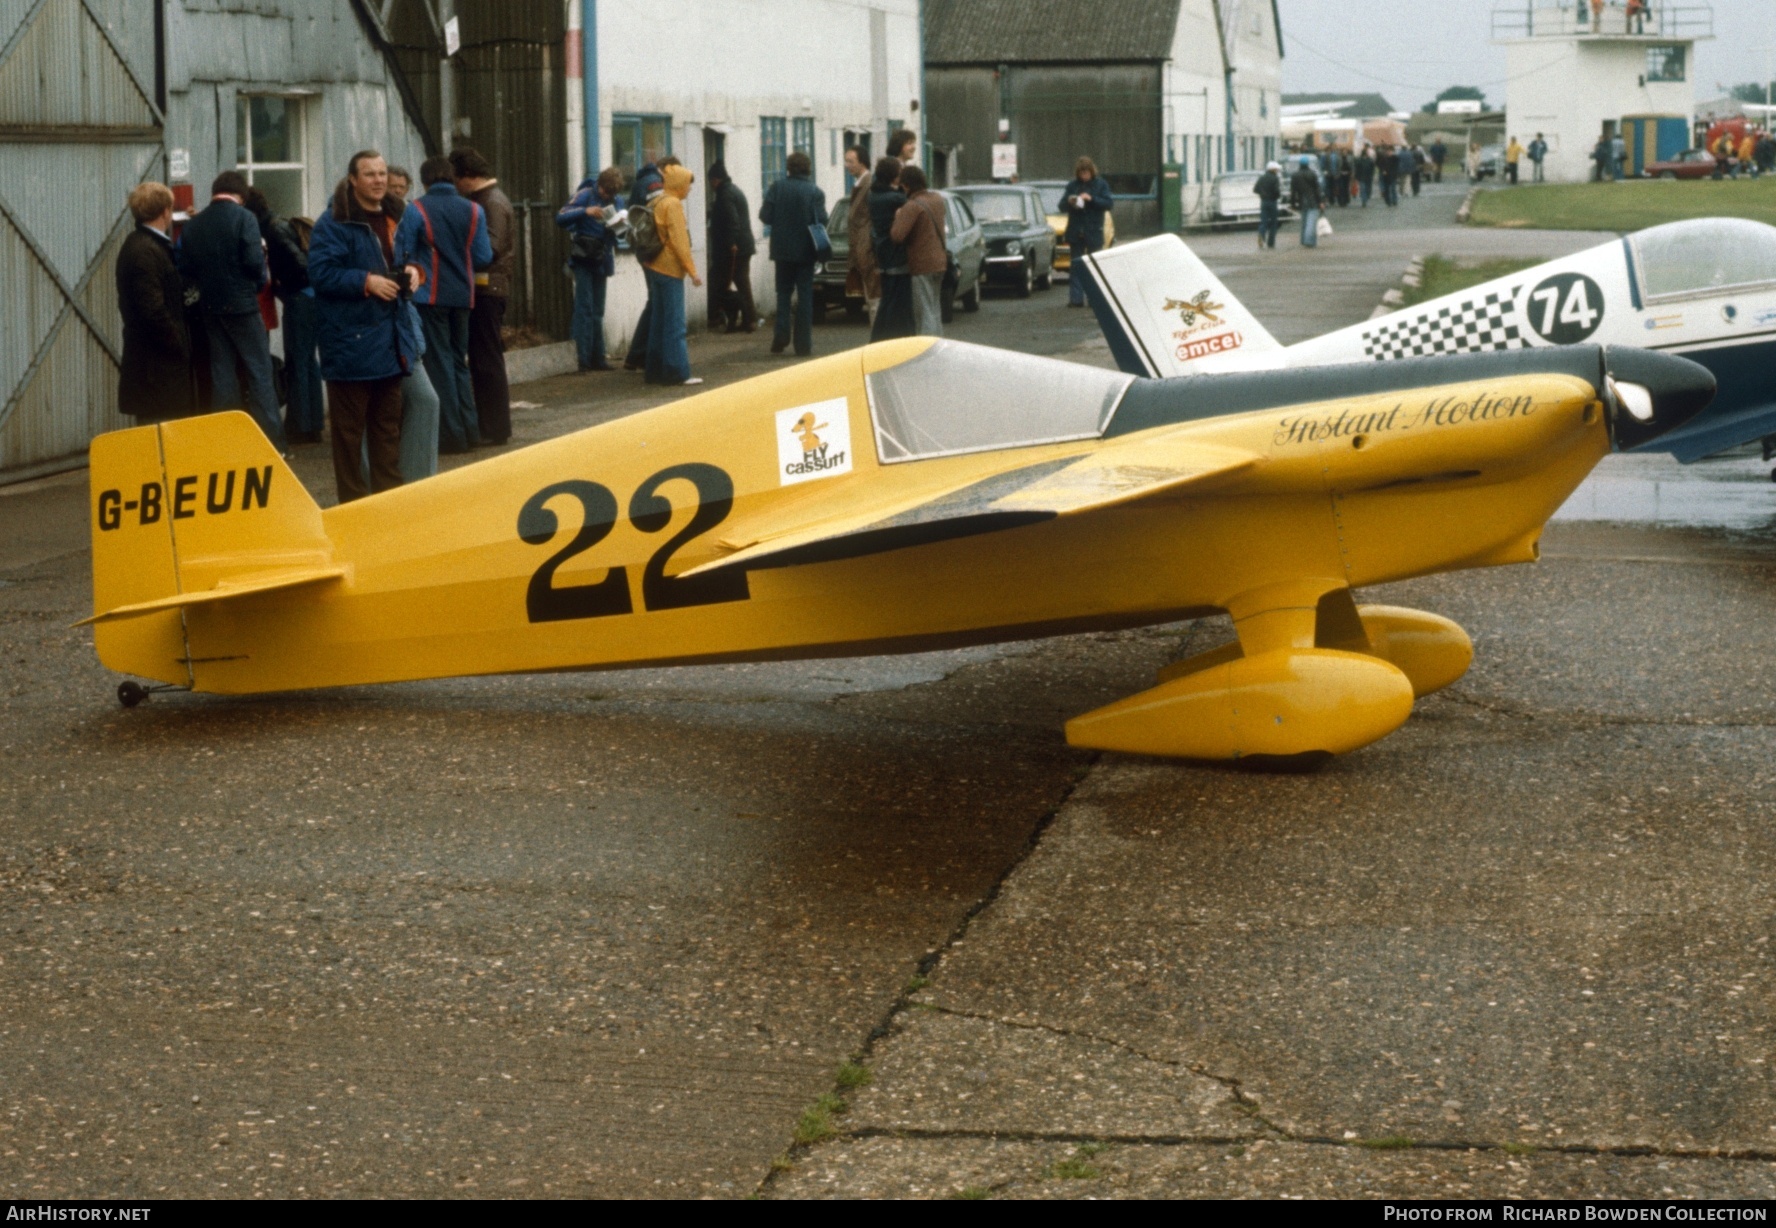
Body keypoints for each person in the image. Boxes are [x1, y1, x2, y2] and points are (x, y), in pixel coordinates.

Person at [308, 149, 425, 502]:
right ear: (353, 180)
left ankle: (388, 507)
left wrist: (416, 271)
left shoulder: (399, 216)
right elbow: (321, 274)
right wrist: (366, 282)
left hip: (391, 343)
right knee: (348, 436)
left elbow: (420, 253)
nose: (378, 180)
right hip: (350, 345)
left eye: (382, 173)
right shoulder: (333, 223)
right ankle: (354, 509)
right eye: (370, 174)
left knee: (387, 432)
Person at [177, 169, 283, 448]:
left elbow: (184, 267)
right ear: (242, 196)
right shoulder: (245, 218)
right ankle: (272, 444)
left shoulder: (194, 225)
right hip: (243, 305)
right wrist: (256, 284)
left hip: (210, 305)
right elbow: (254, 263)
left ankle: (227, 443)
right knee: (259, 372)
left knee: (222, 373)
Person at [411, 155, 493, 451]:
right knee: (459, 362)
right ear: (452, 178)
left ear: (425, 181)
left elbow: (404, 252)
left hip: (430, 295)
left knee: (439, 364)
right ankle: (470, 431)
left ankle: (452, 436)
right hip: (463, 295)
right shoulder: (474, 210)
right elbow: (483, 257)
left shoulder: (416, 209)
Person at [239, 188, 322, 445]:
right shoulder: (278, 224)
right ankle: (311, 423)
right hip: (309, 297)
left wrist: (284, 285)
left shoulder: (273, 230)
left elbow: (300, 264)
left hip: (300, 298)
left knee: (298, 360)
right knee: (307, 361)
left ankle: (300, 425)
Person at [451, 147, 515, 446]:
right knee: (483, 357)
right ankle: (492, 424)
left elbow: (489, 249)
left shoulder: (490, 202)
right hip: (488, 286)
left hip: (487, 288)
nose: (454, 186)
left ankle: (495, 427)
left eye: (456, 179)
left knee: (486, 358)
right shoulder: (488, 200)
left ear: (468, 177)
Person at [115, 181, 192, 423]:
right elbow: (152, 310)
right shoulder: (146, 251)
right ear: (165, 212)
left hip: (152, 364)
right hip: (157, 367)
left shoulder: (141, 244)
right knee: (162, 433)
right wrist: (178, 344)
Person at [759, 150, 829, 356]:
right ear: (808, 168)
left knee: (783, 293)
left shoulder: (777, 187)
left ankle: (780, 338)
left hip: (781, 250)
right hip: (806, 250)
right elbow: (823, 220)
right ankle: (803, 344)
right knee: (805, 295)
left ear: (788, 168)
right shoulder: (815, 192)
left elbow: (765, 215)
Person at [556, 165, 621, 372]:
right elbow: (561, 216)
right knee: (584, 308)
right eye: (605, 191)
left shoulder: (616, 201)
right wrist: (585, 211)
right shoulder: (585, 194)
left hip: (602, 257)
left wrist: (620, 226)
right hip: (584, 258)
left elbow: (620, 234)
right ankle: (581, 359)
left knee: (598, 310)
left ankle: (598, 358)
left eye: (611, 194)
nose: (607, 196)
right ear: (599, 184)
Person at [642, 163, 702, 386]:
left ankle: (654, 371)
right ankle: (678, 372)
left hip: (655, 265)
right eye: (688, 185)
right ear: (679, 185)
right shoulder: (673, 204)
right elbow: (679, 242)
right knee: (675, 324)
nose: (689, 189)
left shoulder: (655, 200)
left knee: (658, 321)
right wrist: (692, 271)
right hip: (670, 268)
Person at [622, 153, 681, 374]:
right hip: (653, 251)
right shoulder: (655, 184)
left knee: (655, 301)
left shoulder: (643, 181)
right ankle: (640, 355)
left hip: (646, 249)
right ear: (666, 169)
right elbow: (660, 215)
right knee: (656, 302)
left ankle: (643, 355)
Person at [890, 164, 946, 337]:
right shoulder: (937, 199)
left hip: (922, 264)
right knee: (935, 309)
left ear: (906, 185)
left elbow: (897, 236)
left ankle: (927, 350)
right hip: (940, 261)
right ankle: (939, 345)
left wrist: (898, 216)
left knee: (924, 313)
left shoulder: (912, 206)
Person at [706, 161, 758, 334]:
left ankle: (745, 319)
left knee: (724, 282)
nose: (711, 186)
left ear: (715, 180)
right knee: (740, 282)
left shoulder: (725, 194)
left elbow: (732, 220)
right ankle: (747, 319)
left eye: (710, 182)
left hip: (735, 247)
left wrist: (731, 243)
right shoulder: (733, 190)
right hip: (743, 244)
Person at [867, 157, 914, 339]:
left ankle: (879, 339)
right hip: (895, 252)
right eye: (899, 173)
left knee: (888, 299)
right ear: (893, 176)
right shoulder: (893, 198)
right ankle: (885, 339)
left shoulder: (874, 194)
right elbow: (909, 200)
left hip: (882, 251)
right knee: (897, 302)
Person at [1061, 155, 1113, 308]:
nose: (1084, 176)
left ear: (1092, 171)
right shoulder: (1072, 186)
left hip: (1094, 231)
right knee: (1076, 266)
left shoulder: (1101, 185)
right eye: (1081, 173)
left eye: (1086, 173)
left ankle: (1094, 299)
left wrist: (1091, 199)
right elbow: (1061, 206)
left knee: (1094, 267)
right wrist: (1071, 201)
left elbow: (1109, 203)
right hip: (1076, 232)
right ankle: (1076, 299)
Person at [843, 147, 880, 320]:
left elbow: (869, 221)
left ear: (862, 162)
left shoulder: (869, 184)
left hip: (868, 253)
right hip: (861, 253)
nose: (846, 165)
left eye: (851, 161)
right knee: (871, 299)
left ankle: (879, 343)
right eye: (846, 161)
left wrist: (865, 250)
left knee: (875, 301)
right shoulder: (860, 184)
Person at [1290, 155, 1322, 248]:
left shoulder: (1295, 175)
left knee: (1304, 221)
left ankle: (1303, 240)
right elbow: (1317, 189)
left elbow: (1293, 191)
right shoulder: (1312, 174)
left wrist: (1293, 204)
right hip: (1312, 200)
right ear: (1308, 164)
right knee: (1311, 221)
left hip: (1302, 200)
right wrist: (1320, 201)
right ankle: (1309, 241)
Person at [1254, 160, 1283, 248]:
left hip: (1263, 202)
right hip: (1272, 201)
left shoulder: (1262, 178)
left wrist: (1262, 194)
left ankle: (1261, 233)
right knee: (1273, 222)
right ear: (1273, 169)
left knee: (1264, 221)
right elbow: (1276, 191)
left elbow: (1255, 189)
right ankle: (1271, 242)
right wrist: (1277, 196)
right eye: (1276, 169)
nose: (1277, 171)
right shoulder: (1275, 178)